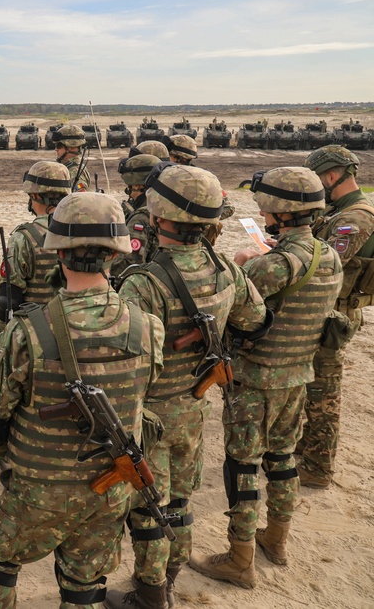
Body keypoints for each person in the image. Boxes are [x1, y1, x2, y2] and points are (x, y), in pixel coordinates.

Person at [0, 192, 164, 609]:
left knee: (0, 562)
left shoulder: (27, 331)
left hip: (36, 494)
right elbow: (145, 390)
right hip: (107, 492)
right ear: (115, 256)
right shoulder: (148, 327)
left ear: (58, 254)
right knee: (85, 585)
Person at [108, 165, 267, 609]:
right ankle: (171, 579)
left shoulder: (144, 281)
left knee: (148, 510)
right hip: (194, 408)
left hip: (152, 413)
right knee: (179, 500)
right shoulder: (224, 270)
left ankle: (151, 593)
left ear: (158, 218)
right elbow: (256, 321)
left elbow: (125, 355)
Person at [190, 167, 341, 589]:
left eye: (265, 206)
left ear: (279, 211)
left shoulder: (274, 265)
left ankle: (239, 559)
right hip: (298, 376)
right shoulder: (326, 254)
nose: (261, 210)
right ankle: (276, 539)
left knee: (241, 466)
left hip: (255, 380)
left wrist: (240, 263)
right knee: (282, 459)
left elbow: (230, 303)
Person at [300, 145, 374, 488]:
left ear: (332, 176)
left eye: (318, 179)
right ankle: (307, 447)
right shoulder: (336, 211)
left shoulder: (355, 217)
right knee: (311, 385)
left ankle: (317, 468)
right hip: (327, 310)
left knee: (324, 394)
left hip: (335, 316)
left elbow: (327, 264)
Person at [0, 160, 71, 336]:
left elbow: (7, 300)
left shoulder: (23, 238)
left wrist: (3, 338)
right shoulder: (85, 230)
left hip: (37, 335)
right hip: (78, 330)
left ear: (36, 196)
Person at [108, 154, 159, 283]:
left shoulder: (141, 218)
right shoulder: (162, 208)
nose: (130, 195)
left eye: (129, 189)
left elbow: (128, 264)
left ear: (136, 186)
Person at [53, 125, 90, 192]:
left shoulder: (74, 171)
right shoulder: (68, 167)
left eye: (59, 146)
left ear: (71, 147)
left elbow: (80, 196)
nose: (56, 149)